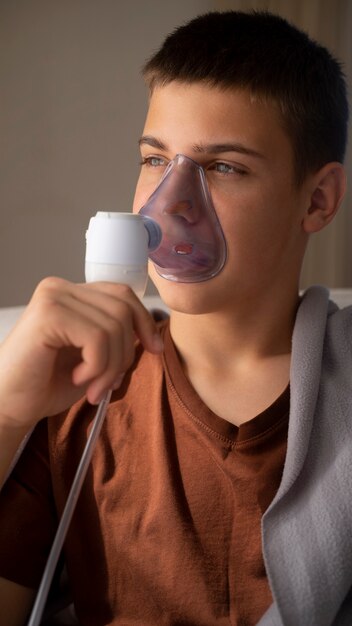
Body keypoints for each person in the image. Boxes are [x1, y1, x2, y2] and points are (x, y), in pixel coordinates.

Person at [0, 9, 350, 626]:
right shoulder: (79, 398)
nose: (171, 205)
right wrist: (5, 413)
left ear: (317, 199)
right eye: (155, 160)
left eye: (224, 167)